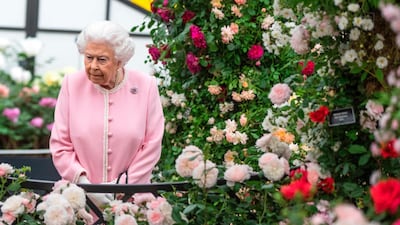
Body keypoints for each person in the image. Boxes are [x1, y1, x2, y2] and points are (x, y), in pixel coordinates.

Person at [49, 20, 165, 208]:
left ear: (120, 61)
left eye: (102, 59)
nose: (93, 66)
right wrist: (86, 187)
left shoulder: (146, 86)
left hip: (132, 199)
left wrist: (122, 186)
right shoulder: (72, 84)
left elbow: (152, 144)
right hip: (79, 200)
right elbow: (60, 145)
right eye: (88, 57)